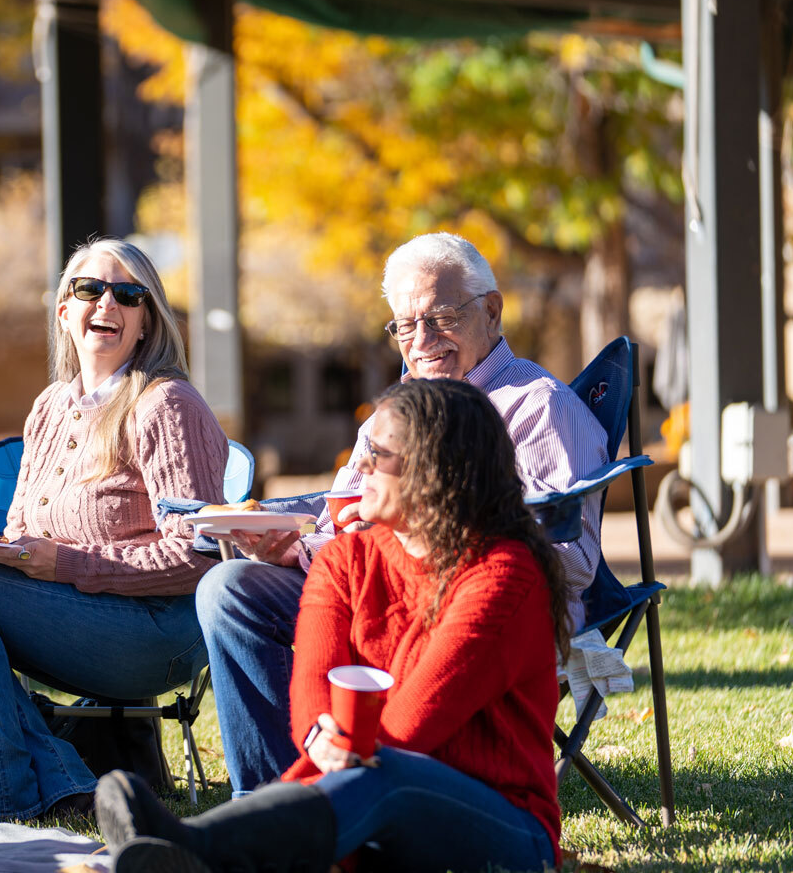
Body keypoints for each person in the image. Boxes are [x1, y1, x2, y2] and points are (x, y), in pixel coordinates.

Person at [97, 377, 568, 873]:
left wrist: (337, 751)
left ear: (435, 471)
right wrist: (323, 731)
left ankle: (194, 850)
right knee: (374, 775)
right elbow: (314, 687)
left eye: (378, 455)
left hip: (507, 831)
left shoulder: (504, 575)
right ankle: (193, 851)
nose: (359, 465)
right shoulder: (346, 557)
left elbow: (408, 728)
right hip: (369, 799)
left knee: (387, 774)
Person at [198, 231, 607, 796]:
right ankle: (270, 796)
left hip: (475, 609)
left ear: (491, 311)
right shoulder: (396, 409)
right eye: (405, 326)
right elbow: (341, 513)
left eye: (440, 317)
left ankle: (312, 804)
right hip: (374, 594)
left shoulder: (540, 409)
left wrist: (432, 527)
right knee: (229, 587)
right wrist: (281, 536)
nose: (421, 340)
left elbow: (572, 561)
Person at [0, 238, 230, 821]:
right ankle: (57, 781)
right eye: (90, 289)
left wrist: (69, 564)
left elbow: (201, 556)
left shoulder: (166, 405)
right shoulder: (51, 405)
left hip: (156, 635)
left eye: (130, 295)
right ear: (63, 309)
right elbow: (23, 532)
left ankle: (4, 792)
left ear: (146, 320)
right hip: (74, 616)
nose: (109, 304)